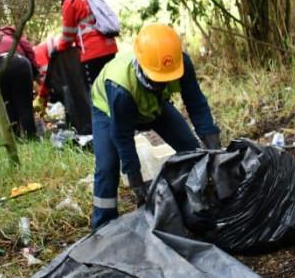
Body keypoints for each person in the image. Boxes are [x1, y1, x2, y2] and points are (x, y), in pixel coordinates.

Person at [89, 23, 221, 229]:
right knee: (107, 166)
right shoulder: (120, 87)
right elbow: (122, 136)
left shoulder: (180, 64)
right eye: (157, 80)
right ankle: (103, 226)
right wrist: (136, 181)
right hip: (108, 111)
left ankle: (197, 204)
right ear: (141, 66)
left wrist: (212, 145)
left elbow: (196, 103)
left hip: (155, 105)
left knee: (191, 151)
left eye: (166, 80)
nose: (162, 83)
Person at [50, 0, 119, 135]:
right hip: (110, 47)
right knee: (113, 88)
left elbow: (68, 34)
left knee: (97, 94)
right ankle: (121, 122)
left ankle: (106, 131)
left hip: (92, 53)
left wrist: (59, 48)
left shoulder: (70, 2)